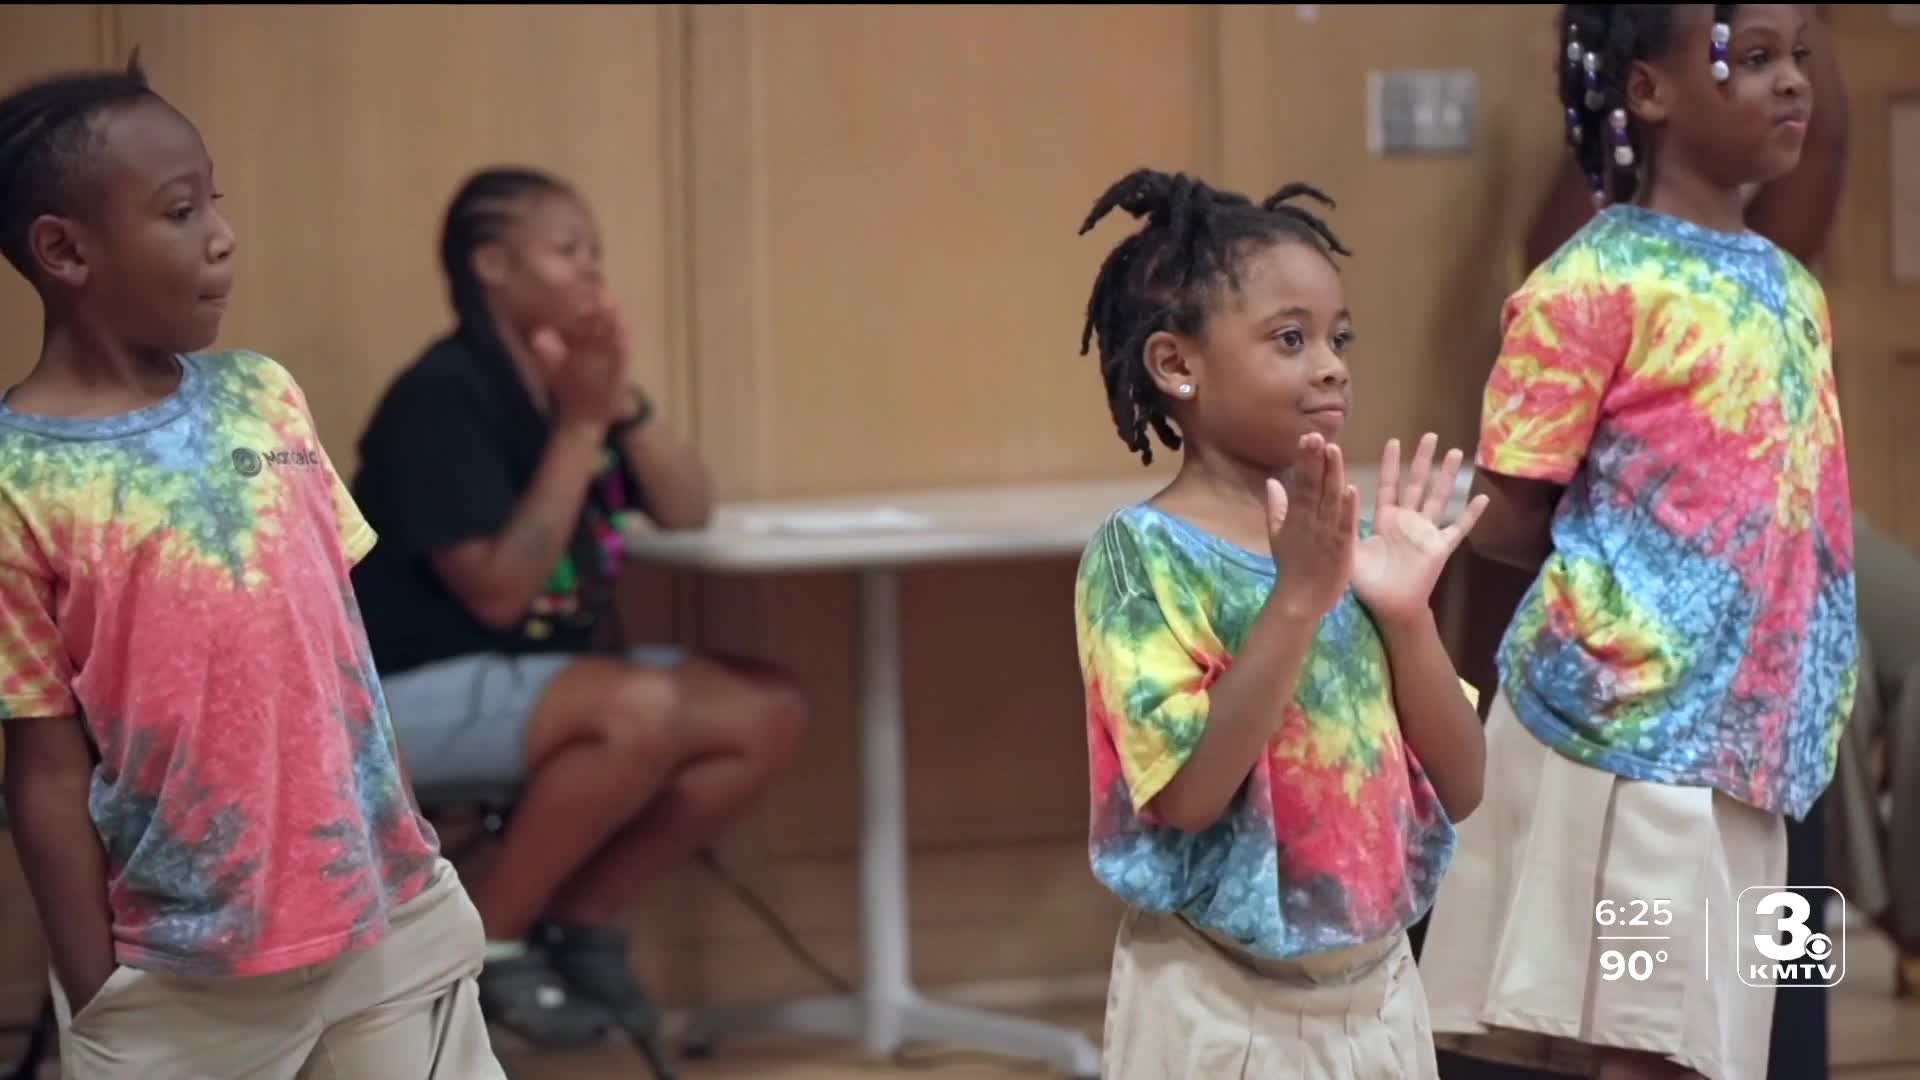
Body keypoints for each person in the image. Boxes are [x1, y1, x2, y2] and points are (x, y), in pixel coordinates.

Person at [0, 57, 504, 1079]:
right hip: (185, 973)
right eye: (180, 211)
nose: (222, 235)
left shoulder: (262, 397)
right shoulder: (18, 475)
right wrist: (98, 991)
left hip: (384, 925)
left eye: (215, 201)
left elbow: (342, 657)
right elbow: (44, 769)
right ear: (65, 250)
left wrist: (406, 844)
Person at [1418, 6, 1857, 1080]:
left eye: (1799, 56)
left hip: (1757, 752)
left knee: (1724, 1035)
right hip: (1633, 758)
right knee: (1642, 1042)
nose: (1791, 84)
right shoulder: (1589, 284)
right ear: (1649, 92)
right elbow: (1513, 512)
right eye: (1753, 60)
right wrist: (1644, 613)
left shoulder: (1796, 290)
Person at [348, 166, 809, 1050]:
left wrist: (619, 404)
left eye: (595, 250)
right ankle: (477, 948)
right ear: (492, 264)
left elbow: (687, 509)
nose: (593, 271)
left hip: (538, 685)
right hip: (405, 697)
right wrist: (579, 429)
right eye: (567, 251)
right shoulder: (441, 395)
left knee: (766, 709)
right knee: (638, 709)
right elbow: (498, 591)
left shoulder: (576, 391)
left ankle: (572, 920)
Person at [1069, 168, 1489, 1080]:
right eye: (1289, 339)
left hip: (1379, 989)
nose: (1332, 364)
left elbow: (1463, 782)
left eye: (1338, 338)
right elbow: (1187, 796)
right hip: (1218, 1006)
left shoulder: (1352, 545)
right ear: (1178, 365)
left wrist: (1407, 616)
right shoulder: (1143, 556)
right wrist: (1297, 602)